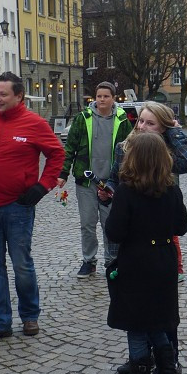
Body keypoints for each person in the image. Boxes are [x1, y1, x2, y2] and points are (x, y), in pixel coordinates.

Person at [0, 72, 64, 344]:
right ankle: (0, 322)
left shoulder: (34, 123)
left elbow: (57, 154)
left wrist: (42, 186)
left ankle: (30, 316)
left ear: (18, 96)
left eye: (3, 94)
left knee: (21, 263)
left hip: (18, 206)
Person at [104, 101, 187, 374]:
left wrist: (176, 133)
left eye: (150, 123)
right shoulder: (124, 148)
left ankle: (168, 362)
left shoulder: (169, 151)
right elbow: (113, 177)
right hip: (128, 226)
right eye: (140, 121)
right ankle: (139, 356)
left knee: (161, 305)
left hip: (157, 232)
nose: (142, 127)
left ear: (165, 128)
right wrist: (109, 189)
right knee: (132, 301)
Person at [106, 132, 187, 374]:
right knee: (158, 322)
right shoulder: (172, 189)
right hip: (164, 261)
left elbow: (114, 231)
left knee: (138, 326)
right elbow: (181, 227)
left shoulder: (128, 191)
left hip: (137, 262)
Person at [56, 82, 132, 278]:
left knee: (110, 223)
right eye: (99, 96)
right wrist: (63, 173)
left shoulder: (123, 120)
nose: (102, 99)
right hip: (86, 180)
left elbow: (131, 149)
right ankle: (89, 261)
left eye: (106, 96)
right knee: (88, 223)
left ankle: (111, 260)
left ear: (113, 98)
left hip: (111, 182)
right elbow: (70, 147)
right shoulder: (83, 119)